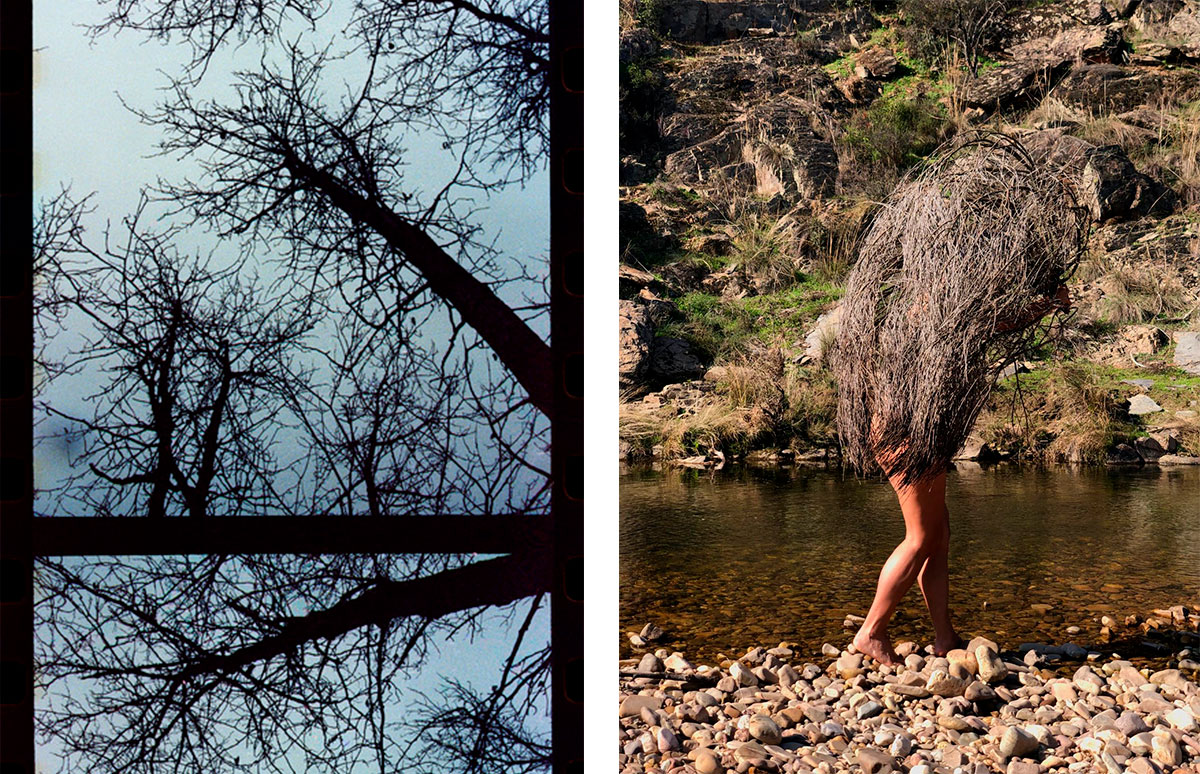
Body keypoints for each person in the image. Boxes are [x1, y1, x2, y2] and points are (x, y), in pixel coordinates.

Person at [851, 284, 1071, 665]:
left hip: (910, 432)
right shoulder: (931, 318)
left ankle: (944, 635)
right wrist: (1046, 304)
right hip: (905, 435)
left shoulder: (909, 318)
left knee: (939, 533)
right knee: (920, 538)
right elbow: (997, 324)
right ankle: (871, 631)